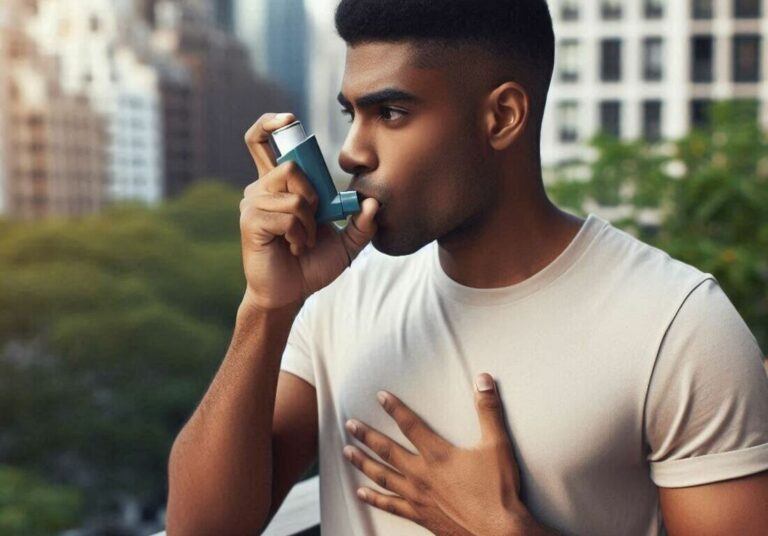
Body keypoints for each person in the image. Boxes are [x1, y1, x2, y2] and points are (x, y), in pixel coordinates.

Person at [165, 1, 768, 534]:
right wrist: (266, 307)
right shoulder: (339, 294)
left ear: (502, 116)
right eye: (352, 113)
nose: (351, 151)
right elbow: (201, 529)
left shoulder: (680, 326)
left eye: (392, 113)